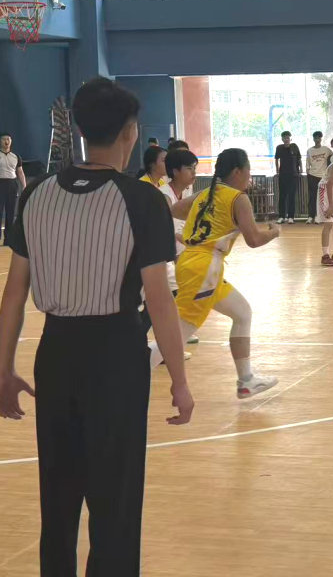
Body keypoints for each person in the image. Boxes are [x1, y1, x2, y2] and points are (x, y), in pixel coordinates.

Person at [0, 77, 193, 574]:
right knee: (116, 499)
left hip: (55, 352)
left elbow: (14, 292)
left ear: (81, 130)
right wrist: (179, 378)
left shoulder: (36, 194)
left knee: (58, 495)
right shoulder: (141, 201)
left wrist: (3, 368)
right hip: (116, 353)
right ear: (130, 132)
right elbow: (159, 299)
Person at [149, 148, 280, 399]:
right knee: (177, 335)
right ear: (238, 171)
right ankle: (129, 375)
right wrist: (274, 232)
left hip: (193, 261)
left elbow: (174, 210)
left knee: (242, 312)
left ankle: (246, 380)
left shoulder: (205, 193)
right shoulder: (238, 198)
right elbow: (254, 239)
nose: (249, 175)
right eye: (248, 170)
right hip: (205, 267)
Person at [153, 148, 201, 346]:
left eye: (195, 168)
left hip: (179, 253)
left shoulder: (187, 193)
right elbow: (165, 230)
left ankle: (178, 334)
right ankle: (169, 341)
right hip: (163, 256)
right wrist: (187, 240)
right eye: (189, 169)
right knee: (170, 298)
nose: (194, 173)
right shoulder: (164, 195)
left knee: (182, 292)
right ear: (175, 171)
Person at [0, 132, 26, 246]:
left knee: (11, 213)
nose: (6, 141)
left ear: (11, 141)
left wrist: (24, 186)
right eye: (4, 139)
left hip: (12, 185)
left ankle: (8, 239)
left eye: (8, 139)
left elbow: (20, 172)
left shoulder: (16, 156)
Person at [275, 130, 302, 224]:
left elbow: (299, 158)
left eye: (288, 138)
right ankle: (281, 216)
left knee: (292, 196)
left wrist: (301, 169)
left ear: (291, 138)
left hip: (293, 175)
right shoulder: (279, 147)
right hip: (282, 175)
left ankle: (291, 217)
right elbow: (276, 159)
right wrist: (277, 171)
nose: (286, 139)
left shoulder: (294, 146)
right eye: (284, 138)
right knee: (282, 196)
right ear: (282, 139)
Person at [305, 131, 332, 224]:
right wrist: (308, 172)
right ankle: (311, 216)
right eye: (315, 138)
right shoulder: (309, 150)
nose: (317, 139)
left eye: (319, 138)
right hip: (312, 175)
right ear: (313, 139)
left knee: (322, 198)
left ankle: (319, 216)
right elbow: (307, 163)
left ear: (321, 139)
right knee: (312, 196)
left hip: (323, 177)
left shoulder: (326, 149)